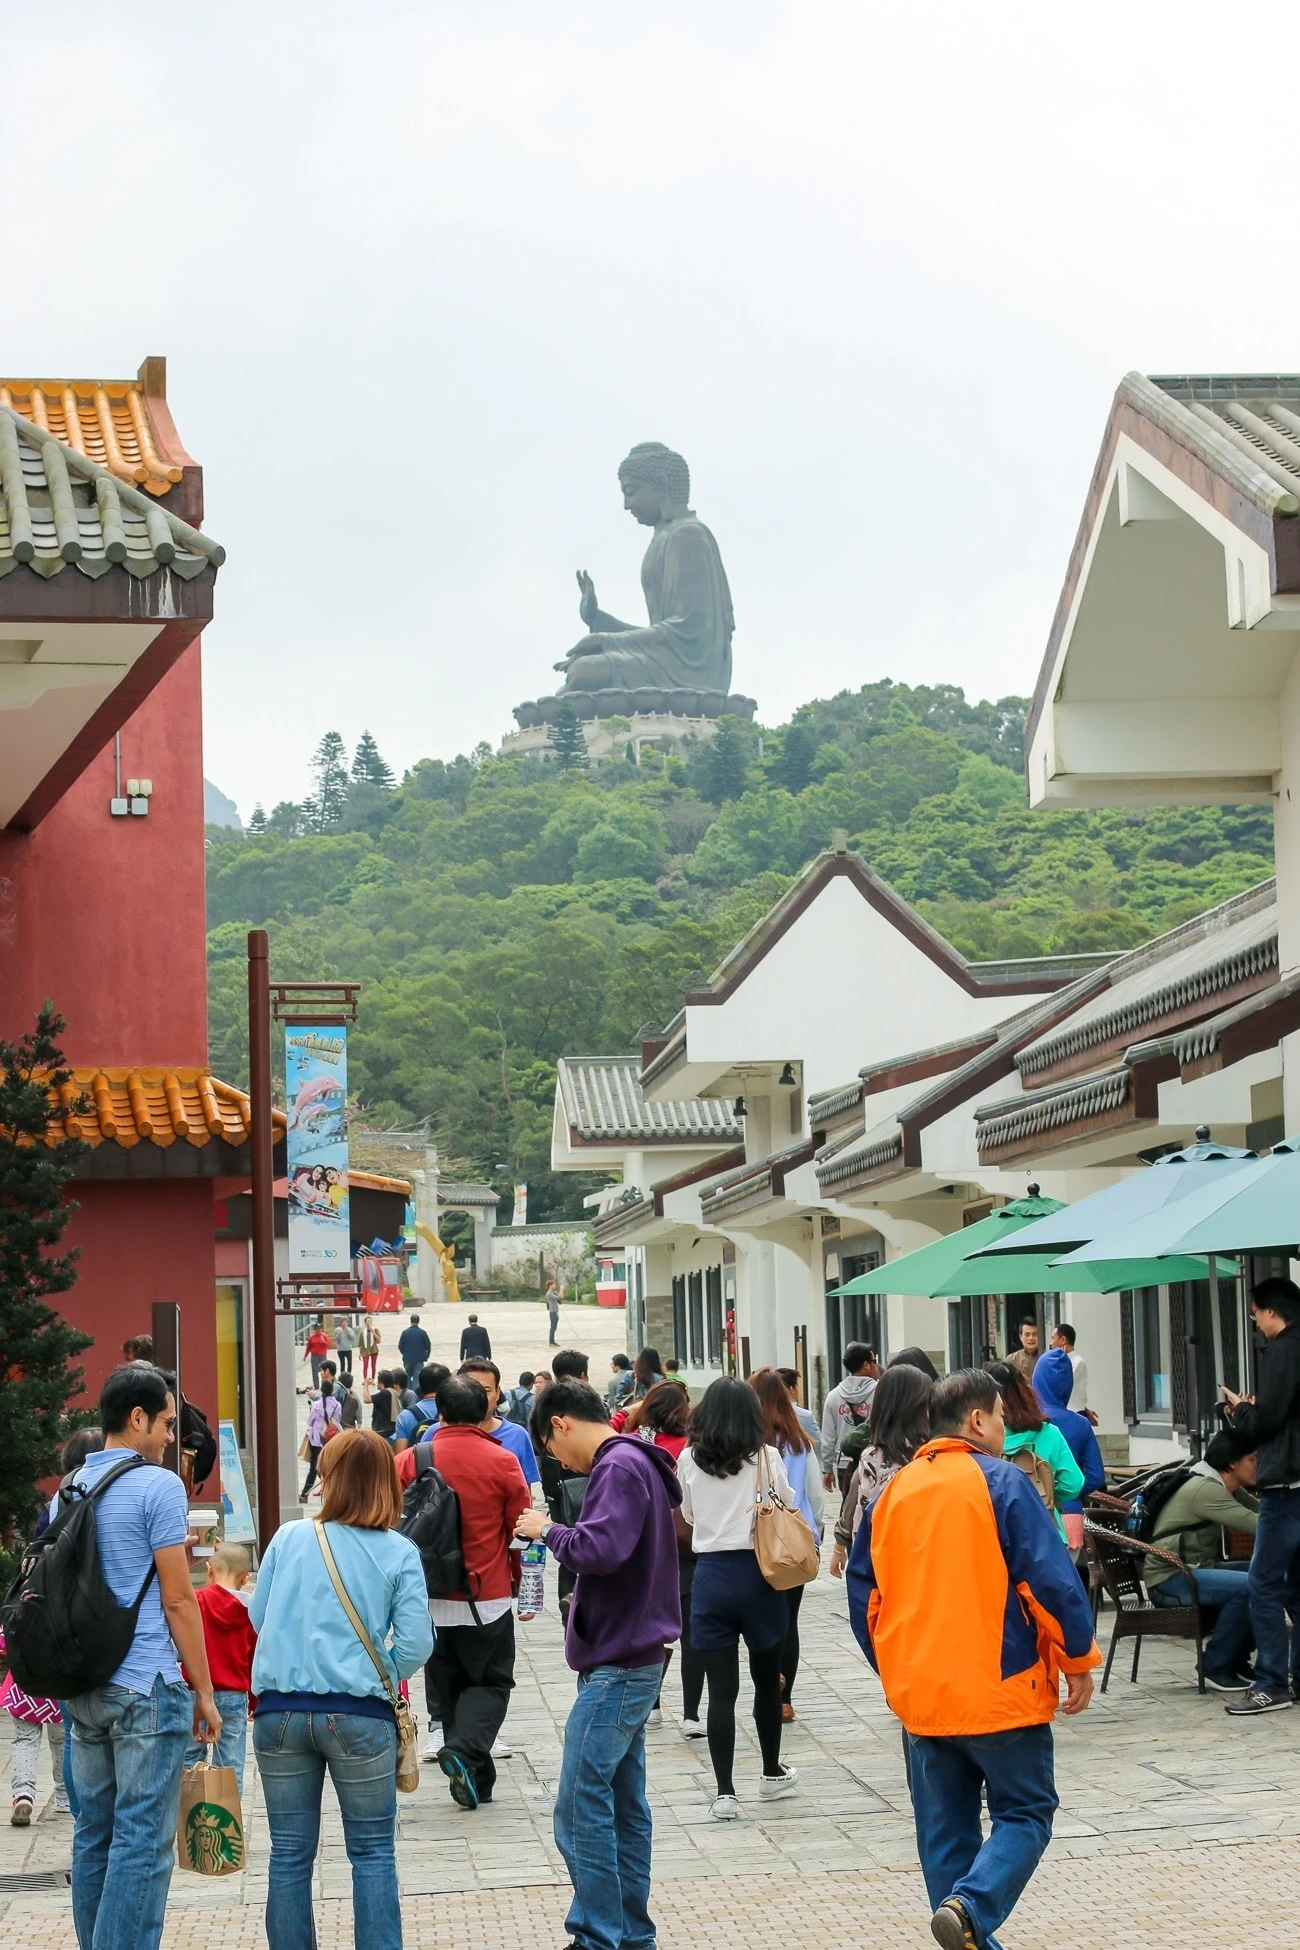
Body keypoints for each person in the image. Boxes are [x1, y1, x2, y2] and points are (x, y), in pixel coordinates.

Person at [847, 1368, 1100, 1950]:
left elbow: (866, 1600)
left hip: (922, 1697)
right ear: (977, 1419)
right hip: (999, 1687)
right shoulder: (1003, 1484)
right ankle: (970, 1908)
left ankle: (962, 1925)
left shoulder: (892, 1494)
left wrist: (895, 1670)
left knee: (944, 1835)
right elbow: (1050, 1581)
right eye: (1002, 1417)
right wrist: (1077, 1658)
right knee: (1027, 1812)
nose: (1007, 1427)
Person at [516, 1377, 681, 1950]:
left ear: (560, 1424)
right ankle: (630, 1935)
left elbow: (600, 1550)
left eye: (551, 1447)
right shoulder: (636, 1463)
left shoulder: (617, 1466)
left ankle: (597, 1935)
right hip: (632, 1656)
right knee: (624, 1806)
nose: (557, 1460)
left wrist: (549, 1529)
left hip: (620, 1664)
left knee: (580, 1803)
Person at [250, 1430, 432, 1950]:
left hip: (279, 1713)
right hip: (360, 1714)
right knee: (372, 1852)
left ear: (329, 1479)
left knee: (288, 1852)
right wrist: (382, 1670)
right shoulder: (399, 1551)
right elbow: (418, 1642)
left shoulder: (289, 1538)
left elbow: (258, 1616)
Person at [65, 1365, 221, 1950]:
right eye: (166, 1424)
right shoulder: (159, 1486)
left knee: (94, 1834)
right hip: (145, 1685)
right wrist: (205, 1691)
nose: (168, 1438)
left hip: (85, 1685)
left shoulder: (73, 1485)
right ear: (137, 1419)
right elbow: (180, 1600)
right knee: (141, 1841)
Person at [678, 1375, 798, 1819]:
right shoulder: (766, 1456)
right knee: (767, 1681)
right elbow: (788, 1502)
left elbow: (688, 1514)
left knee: (720, 1691)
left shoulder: (689, 1458)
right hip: (758, 1575)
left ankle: (725, 1791)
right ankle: (770, 1771)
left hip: (711, 1576)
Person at [418, 1376, 531, 1809]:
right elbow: (519, 1529)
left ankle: (476, 1780)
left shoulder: (413, 1458)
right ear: (485, 1410)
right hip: (487, 1592)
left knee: (447, 1685)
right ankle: (463, 1753)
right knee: (491, 1681)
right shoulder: (501, 1460)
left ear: (439, 1412)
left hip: (428, 1594)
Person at [1224, 1276, 1300, 1714]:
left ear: (1271, 1311)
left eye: (1254, 1313)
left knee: (1264, 1584)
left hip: (1285, 1486)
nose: (1255, 1322)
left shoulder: (1284, 1350)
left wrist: (1242, 1408)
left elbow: (1265, 1421)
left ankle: (1272, 1679)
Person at [1144, 1428, 1258, 1691]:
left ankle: (1237, 1660)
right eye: (1253, 1459)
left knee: (1263, 1573)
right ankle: (1215, 1665)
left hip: (1195, 1570)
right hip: (1170, 1580)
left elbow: (1264, 1513)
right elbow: (1261, 1525)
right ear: (1232, 1462)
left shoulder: (1221, 1483)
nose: (1258, 1465)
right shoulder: (1206, 1490)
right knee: (1250, 1585)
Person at [624, 1381, 703, 1732]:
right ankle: (690, 1715)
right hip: (685, 1548)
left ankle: (652, 1704)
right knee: (691, 1634)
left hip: (645, 1547)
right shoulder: (692, 1445)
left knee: (652, 1630)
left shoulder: (635, 1442)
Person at [749, 1368, 823, 1721]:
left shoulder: (746, 1442)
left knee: (761, 1621)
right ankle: (784, 1698)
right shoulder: (799, 1441)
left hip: (756, 1542)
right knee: (789, 1620)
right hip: (793, 1541)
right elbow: (814, 1494)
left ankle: (765, 1689)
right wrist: (816, 1530)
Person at [829, 1362, 932, 1579]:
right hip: (925, 1563)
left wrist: (842, 1545)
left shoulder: (873, 1456)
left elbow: (862, 1516)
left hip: (883, 1568)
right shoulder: (934, 1450)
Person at [181, 1544, 258, 1795]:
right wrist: (255, 1702)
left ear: (208, 1569)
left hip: (195, 1692)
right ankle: (228, 1822)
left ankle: (189, 1820)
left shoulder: (197, 1601)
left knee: (190, 1759)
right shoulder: (250, 1611)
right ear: (246, 1578)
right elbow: (253, 1659)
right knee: (230, 1764)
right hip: (234, 1695)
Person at [984, 1361, 1083, 1548]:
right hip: (1047, 1533)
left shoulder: (983, 1435)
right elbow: (1073, 1483)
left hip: (997, 1538)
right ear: (1025, 1391)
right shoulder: (1049, 1432)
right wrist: (1044, 1492)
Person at [1031, 1347, 1106, 1551]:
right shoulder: (1080, 1423)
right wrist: (1070, 1493)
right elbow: (1096, 1477)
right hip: (1070, 1513)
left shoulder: (1023, 1421)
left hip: (1030, 1513)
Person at [4, 1665, 66, 1824]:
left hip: (27, 1684)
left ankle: (23, 1794)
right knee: (62, 1742)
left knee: (24, 1740)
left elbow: (4, 1644)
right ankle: (63, 1795)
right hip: (61, 1686)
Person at [820, 1342, 882, 1493]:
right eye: (874, 1361)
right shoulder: (882, 1392)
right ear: (866, 1365)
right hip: (876, 1459)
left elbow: (828, 1438)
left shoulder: (833, 1396)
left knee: (850, 1508)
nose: (876, 1365)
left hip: (845, 1464)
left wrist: (827, 1469)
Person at [300, 1376, 344, 1502]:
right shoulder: (337, 1405)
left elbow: (310, 1421)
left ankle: (305, 1493)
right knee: (332, 1465)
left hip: (317, 1439)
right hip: (333, 1438)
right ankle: (335, 1490)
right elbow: (338, 1419)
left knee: (314, 1466)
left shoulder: (317, 1404)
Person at [394, 1363, 451, 1452]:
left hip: (419, 1464)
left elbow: (400, 1454)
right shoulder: (456, 1411)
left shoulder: (405, 1416)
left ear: (420, 1386)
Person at [1049, 1322, 1095, 1422]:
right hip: (1063, 1412)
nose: (1051, 1343)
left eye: (1053, 1338)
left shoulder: (1078, 1362)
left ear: (1063, 1340)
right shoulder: (1059, 1362)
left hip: (1074, 1413)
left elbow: (1060, 1385)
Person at [776, 1366, 821, 1446]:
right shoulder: (805, 1416)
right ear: (791, 1389)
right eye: (796, 1386)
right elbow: (817, 1445)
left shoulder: (767, 1415)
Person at [320, 1359, 362, 1430]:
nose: (320, 1373)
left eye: (321, 1370)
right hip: (348, 1426)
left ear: (327, 1371)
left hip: (337, 1426)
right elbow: (359, 1415)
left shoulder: (336, 1387)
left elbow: (327, 1401)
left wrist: (314, 1396)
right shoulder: (353, 1394)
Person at [370, 1371, 403, 1444]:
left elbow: (367, 1399)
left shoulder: (384, 1393)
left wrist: (366, 1385)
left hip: (383, 1431)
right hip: (390, 1429)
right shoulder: (392, 1392)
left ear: (381, 1382)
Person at [398, 1313, 431, 1377]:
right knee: (417, 1377)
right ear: (418, 1321)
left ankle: (408, 1387)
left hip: (407, 1358)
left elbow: (400, 1346)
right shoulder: (422, 1333)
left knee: (407, 1376)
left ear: (410, 1321)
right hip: (419, 1358)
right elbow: (428, 1346)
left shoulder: (405, 1333)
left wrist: (404, 1353)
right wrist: (426, 1356)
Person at [1008, 1317, 1040, 1383]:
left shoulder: (1046, 1358)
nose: (1031, 1338)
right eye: (1027, 1334)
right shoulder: (1012, 1359)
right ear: (1020, 1337)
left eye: (1035, 1334)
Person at [304, 1319, 332, 1392]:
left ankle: (324, 1385)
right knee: (315, 1371)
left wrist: (323, 1342)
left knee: (324, 1371)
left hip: (322, 1356)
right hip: (314, 1356)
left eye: (319, 1329)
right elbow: (308, 1347)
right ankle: (316, 1386)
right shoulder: (311, 1337)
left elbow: (329, 1344)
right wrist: (305, 1356)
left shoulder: (324, 1336)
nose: (318, 1330)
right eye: (317, 1329)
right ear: (314, 1329)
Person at [357, 1314, 382, 1392]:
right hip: (365, 1350)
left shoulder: (375, 1330)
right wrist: (360, 1353)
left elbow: (378, 1341)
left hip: (373, 1349)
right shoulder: (362, 1333)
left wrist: (373, 1332)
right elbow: (360, 1344)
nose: (369, 1323)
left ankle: (373, 1379)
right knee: (365, 1365)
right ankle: (365, 1380)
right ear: (365, 1323)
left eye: (370, 1321)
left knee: (373, 1365)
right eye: (367, 1321)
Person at [334, 1318, 355, 1387]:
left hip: (348, 1349)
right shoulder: (337, 1330)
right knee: (342, 1364)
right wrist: (339, 1335)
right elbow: (334, 1339)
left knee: (349, 1364)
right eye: (343, 1322)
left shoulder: (349, 1329)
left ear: (348, 1323)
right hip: (340, 1349)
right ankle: (342, 1378)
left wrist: (347, 1331)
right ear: (341, 1323)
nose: (344, 1323)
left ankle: (349, 1377)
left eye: (346, 1322)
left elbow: (353, 1338)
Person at [546, 1280, 562, 1347]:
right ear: (550, 1285)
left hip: (555, 1312)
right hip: (553, 1312)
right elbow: (559, 1297)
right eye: (554, 1285)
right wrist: (562, 1289)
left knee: (554, 1328)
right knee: (553, 1328)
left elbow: (560, 1300)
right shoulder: (549, 1293)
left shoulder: (553, 1292)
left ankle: (553, 1342)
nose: (555, 1286)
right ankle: (551, 1342)